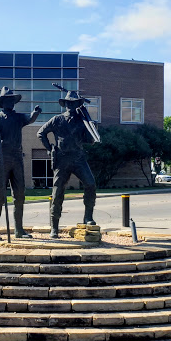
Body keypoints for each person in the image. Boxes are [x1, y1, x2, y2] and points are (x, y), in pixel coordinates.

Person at [37, 90, 97, 238]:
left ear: (77, 105)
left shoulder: (83, 121)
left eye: (74, 103)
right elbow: (41, 133)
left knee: (90, 184)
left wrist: (92, 126)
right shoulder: (57, 119)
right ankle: (54, 228)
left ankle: (88, 217)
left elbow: (91, 141)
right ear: (65, 104)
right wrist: (50, 148)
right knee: (57, 193)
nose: (71, 105)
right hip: (62, 159)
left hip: (78, 158)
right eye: (68, 103)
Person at [0, 86, 41, 240]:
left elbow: (29, 119)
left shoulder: (18, 117)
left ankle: (19, 230)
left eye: (12, 100)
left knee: (20, 194)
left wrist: (35, 114)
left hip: (17, 158)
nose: (10, 102)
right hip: (2, 158)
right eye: (7, 100)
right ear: (2, 102)